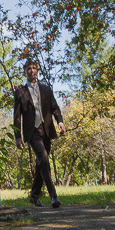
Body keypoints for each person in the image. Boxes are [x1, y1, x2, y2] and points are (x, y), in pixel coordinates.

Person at [13, 59, 66, 208]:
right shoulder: (20, 92)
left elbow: (55, 108)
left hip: (46, 130)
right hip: (32, 132)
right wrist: (18, 137)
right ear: (25, 72)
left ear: (37, 71)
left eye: (34, 68)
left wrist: (60, 122)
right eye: (28, 69)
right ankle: (54, 196)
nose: (32, 71)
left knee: (41, 163)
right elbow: (17, 116)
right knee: (43, 158)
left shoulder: (46, 89)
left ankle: (34, 196)